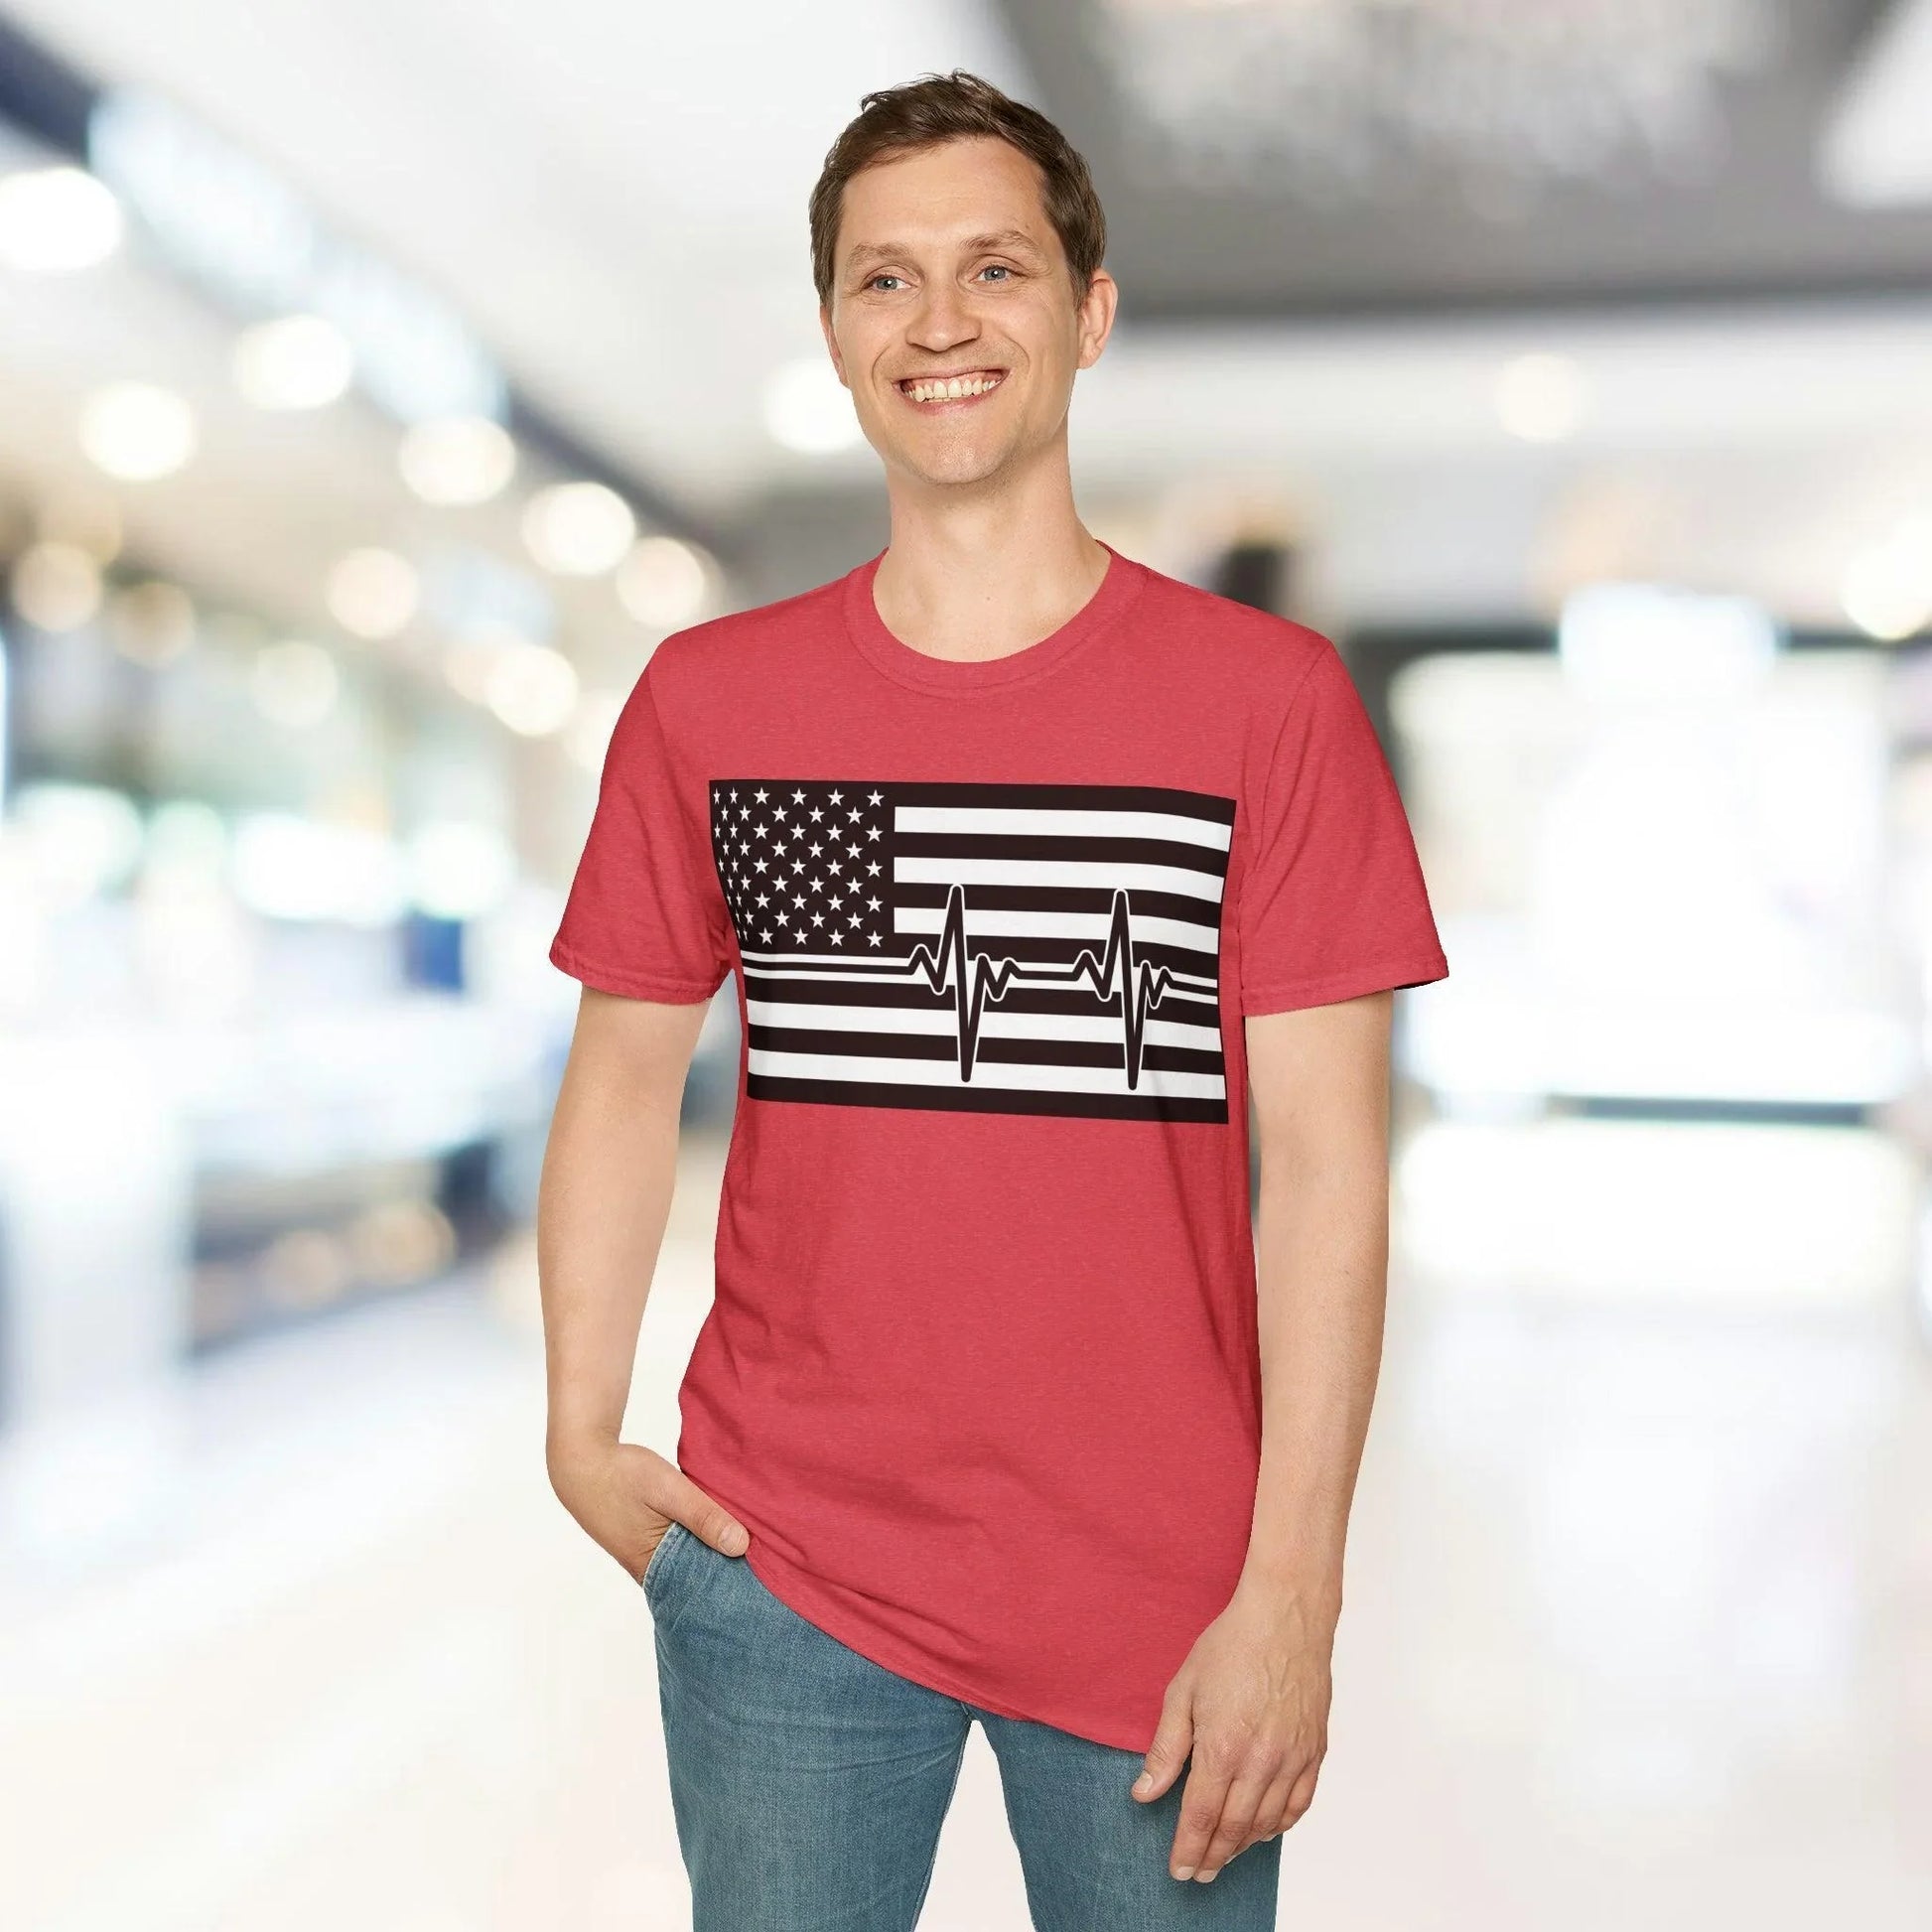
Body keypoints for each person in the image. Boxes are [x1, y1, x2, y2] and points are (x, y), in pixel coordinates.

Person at [538, 68, 1449, 1931]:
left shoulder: (1261, 703)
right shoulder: (718, 704)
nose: (939, 323)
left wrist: (1294, 1589)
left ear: (1087, 312)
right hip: (781, 1566)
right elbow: (626, 1075)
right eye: (884, 280)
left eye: (994, 269)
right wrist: (577, 1417)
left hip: (1166, 1586)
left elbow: (1331, 1173)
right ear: (833, 332)